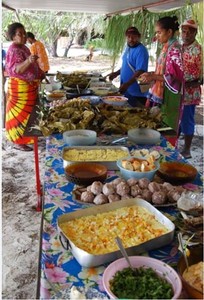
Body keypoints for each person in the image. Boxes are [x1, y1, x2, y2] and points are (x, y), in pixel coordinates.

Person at [140, 16, 184, 143]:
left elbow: (174, 77)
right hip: (164, 92)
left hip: (171, 95)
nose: (157, 36)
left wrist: (153, 77)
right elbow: (164, 71)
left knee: (167, 127)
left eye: (159, 32)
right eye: (156, 33)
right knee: (159, 125)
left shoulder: (175, 49)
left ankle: (167, 155)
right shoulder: (167, 47)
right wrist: (152, 73)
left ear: (169, 32)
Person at [5, 22, 45, 151]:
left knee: (29, 114)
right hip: (20, 90)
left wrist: (40, 73)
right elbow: (17, 70)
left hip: (29, 87)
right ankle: (18, 141)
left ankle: (27, 137)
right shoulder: (13, 50)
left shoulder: (24, 47)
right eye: (19, 34)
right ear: (13, 36)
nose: (23, 36)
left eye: (24, 33)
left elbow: (32, 65)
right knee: (20, 116)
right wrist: (28, 61)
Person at [108, 26, 149, 107]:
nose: (131, 39)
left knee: (136, 114)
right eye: (129, 37)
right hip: (127, 89)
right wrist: (116, 73)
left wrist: (127, 84)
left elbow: (140, 71)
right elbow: (126, 65)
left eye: (134, 37)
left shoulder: (141, 50)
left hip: (137, 92)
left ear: (139, 37)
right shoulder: (128, 48)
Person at [179, 19, 203, 159]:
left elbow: (194, 74)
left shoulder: (197, 49)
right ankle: (177, 144)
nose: (186, 34)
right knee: (179, 119)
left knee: (187, 119)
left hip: (189, 92)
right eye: (184, 31)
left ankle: (187, 150)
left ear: (195, 32)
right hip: (179, 90)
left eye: (189, 31)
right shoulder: (182, 47)